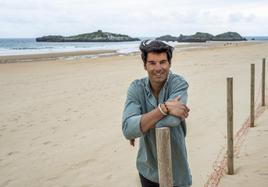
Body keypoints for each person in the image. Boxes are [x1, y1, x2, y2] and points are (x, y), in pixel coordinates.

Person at [122, 40, 192, 187]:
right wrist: (164, 109)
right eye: (152, 63)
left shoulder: (178, 84)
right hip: (148, 169)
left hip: (176, 170)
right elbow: (128, 129)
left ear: (170, 63)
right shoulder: (136, 88)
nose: (158, 68)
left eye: (163, 62)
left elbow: (172, 121)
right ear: (145, 65)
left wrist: (140, 126)